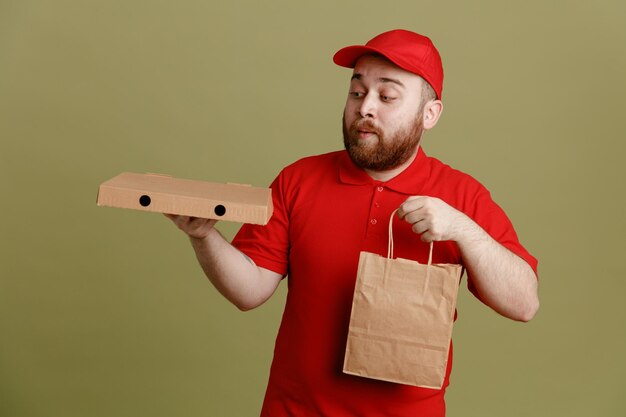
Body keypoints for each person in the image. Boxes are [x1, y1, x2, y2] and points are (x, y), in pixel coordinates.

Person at [166, 29, 539, 417]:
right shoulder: (299, 180)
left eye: (387, 96)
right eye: (357, 92)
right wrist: (204, 236)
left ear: (430, 114)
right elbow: (250, 290)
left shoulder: (460, 195)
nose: (365, 108)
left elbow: (524, 303)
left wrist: (463, 230)